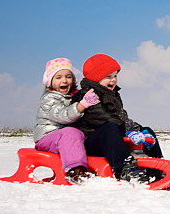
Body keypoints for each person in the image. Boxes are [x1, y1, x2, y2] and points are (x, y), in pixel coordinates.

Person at [71, 54, 161, 184]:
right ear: (96, 78)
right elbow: (104, 118)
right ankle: (125, 169)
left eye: (115, 76)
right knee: (110, 128)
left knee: (146, 130)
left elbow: (121, 116)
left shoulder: (113, 94)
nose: (113, 80)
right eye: (108, 77)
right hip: (92, 141)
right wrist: (128, 130)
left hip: (113, 140)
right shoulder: (88, 95)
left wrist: (137, 130)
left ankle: (157, 165)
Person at [34, 58, 100, 184]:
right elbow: (62, 116)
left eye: (68, 76)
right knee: (71, 132)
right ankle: (75, 171)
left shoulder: (72, 97)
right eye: (58, 77)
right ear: (50, 81)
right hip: (47, 138)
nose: (64, 80)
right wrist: (82, 105)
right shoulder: (49, 99)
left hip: (63, 137)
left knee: (78, 133)